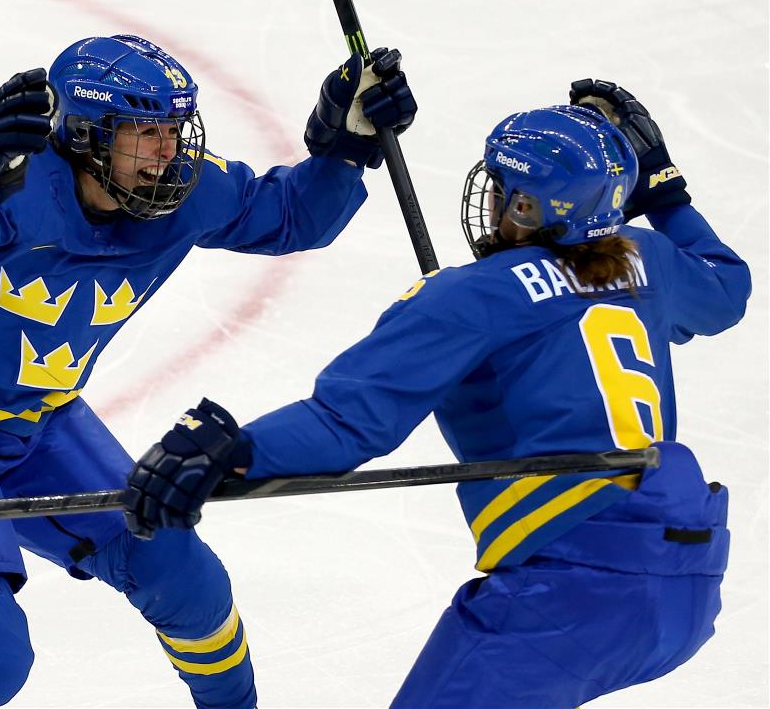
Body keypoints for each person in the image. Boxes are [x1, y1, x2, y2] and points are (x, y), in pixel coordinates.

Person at [0, 34, 417, 709]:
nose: (170, 151)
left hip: (37, 423)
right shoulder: (15, 193)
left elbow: (289, 216)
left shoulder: (184, 193)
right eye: (146, 132)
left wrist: (346, 149)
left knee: (187, 579)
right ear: (85, 135)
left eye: (174, 128)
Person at [124, 80, 752, 707]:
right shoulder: (648, 257)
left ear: (530, 209)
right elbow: (728, 289)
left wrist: (228, 454)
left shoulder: (472, 296)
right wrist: (665, 190)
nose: (495, 199)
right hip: (689, 577)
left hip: (574, 594)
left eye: (506, 191)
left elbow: (347, 424)